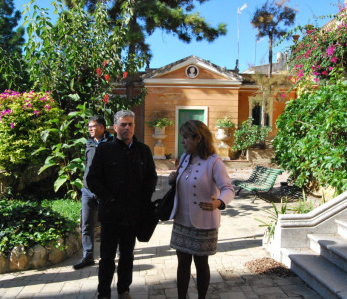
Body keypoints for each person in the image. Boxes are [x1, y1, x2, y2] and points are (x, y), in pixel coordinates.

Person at [87, 110, 158, 299]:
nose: (127, 127)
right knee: (107, 257)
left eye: (130, 124)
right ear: (115, 127)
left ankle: (123, 289)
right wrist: (108, 198)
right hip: (111, 214)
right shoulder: (104, 150)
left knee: (127, 256)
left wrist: (144, 200)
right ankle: (103, 293)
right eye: (123, 124)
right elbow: (92, 179)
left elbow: (151, 177)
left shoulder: (143, 151)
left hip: (132, 214)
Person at [168, 120, 234, 299]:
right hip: (182, 220)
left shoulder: (214, 162)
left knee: (201, 263)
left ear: (197, 138)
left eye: (185, 138)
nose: (182, 142)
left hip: (204, 222)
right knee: (182, 264)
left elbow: (228, 189)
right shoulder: (184, 158)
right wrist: (173, 178)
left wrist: (219, 202)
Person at [73, 115, 113, 270]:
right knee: (86, 223)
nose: (89, 128)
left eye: (93, 126)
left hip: (103, 191)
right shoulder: (88, 144)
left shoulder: (112, 143)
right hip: (87, 190)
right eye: (88, 126)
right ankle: (87, 256)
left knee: (107, 224)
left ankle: (106, 256)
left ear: (102, 127)